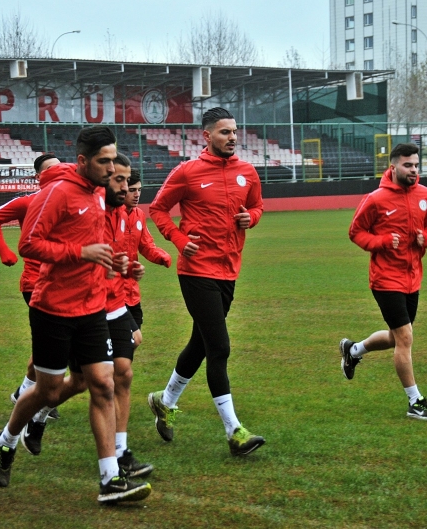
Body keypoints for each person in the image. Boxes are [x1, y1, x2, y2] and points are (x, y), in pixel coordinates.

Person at [0, 127, 151, 504]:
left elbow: (100, 245)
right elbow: (29, 243)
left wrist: (118, 263)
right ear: (82, 161)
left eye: (114, 160)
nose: (111, 169)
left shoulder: (100, 195)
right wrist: (81, 253)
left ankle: (110, 480)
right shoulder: (59, 193)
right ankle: (7, 438)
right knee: (48, 390)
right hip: (53, 309)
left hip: (93, 308)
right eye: (103, 161)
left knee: (103, 384)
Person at [20, 153, 153, 479]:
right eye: (118, 181)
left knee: (121, 376)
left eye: (128, 183)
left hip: (115, 303)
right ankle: (33, 419)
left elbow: (118, 261)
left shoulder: (125, 214)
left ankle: (120, 456)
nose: (125, 189)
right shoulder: (80, 206)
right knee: (77, 382)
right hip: (79, 305)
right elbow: (27, 239)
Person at [147, 107, 265, 456]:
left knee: (200, 343)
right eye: (225, 132)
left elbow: (258, 206)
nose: (232, 137)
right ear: (207, 135)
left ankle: (164, 400)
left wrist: (251, 217)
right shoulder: (188, 172)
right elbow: (157, 209)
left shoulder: (247, 172)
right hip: (196, 271)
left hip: (230, 269)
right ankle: (235, 432)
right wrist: (180, 241)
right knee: (219, 347)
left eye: (234, 131)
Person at [340, 142, 427, 420]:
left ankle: (354, 350)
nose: (413, 170)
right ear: (393, 166)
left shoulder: (426, 195)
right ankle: (415, 401)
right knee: (405, 338)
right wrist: (383, 241)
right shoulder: (375, 199)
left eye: (416, 165)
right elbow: (356, 232)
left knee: (398, 337)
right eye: (408, 165)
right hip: (385, 279)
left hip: (413, 278)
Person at [0, 153, 60, 419]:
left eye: (60, 166)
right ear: (39, 177)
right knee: (53, 346)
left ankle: (26, 393)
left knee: (50, 346)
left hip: (63, 283)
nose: (58, 171)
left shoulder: (71, 200)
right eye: (51, 168)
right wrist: (4, 251)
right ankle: (35, 397)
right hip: (35, 283)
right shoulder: (29, 201)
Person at [122, 170, 171, 329]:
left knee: (135, 337)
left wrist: (161, 256)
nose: (137, 194)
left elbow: (146, 244)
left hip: (132, 290)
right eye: (132, 190)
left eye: (139, 190)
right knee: (127, 340)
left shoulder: (139, 215)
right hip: (112, 291)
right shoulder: (111, 215)